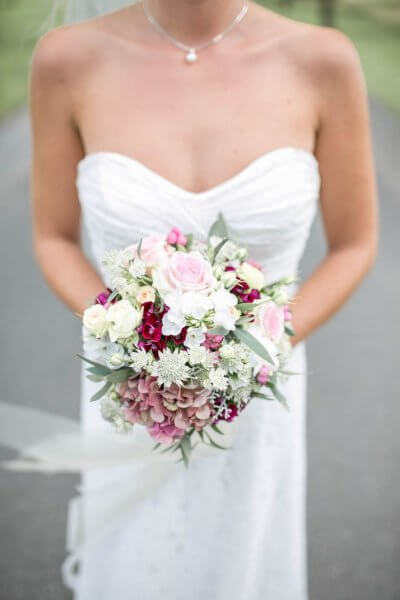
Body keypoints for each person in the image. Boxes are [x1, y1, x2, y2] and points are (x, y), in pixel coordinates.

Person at [30, 1, 377, 598]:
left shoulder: (324, 61)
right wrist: (129, 339)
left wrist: (257, 349)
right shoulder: (67, 60)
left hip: (260, 398)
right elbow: (52, 236)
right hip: (134, 389)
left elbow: (356, 243)